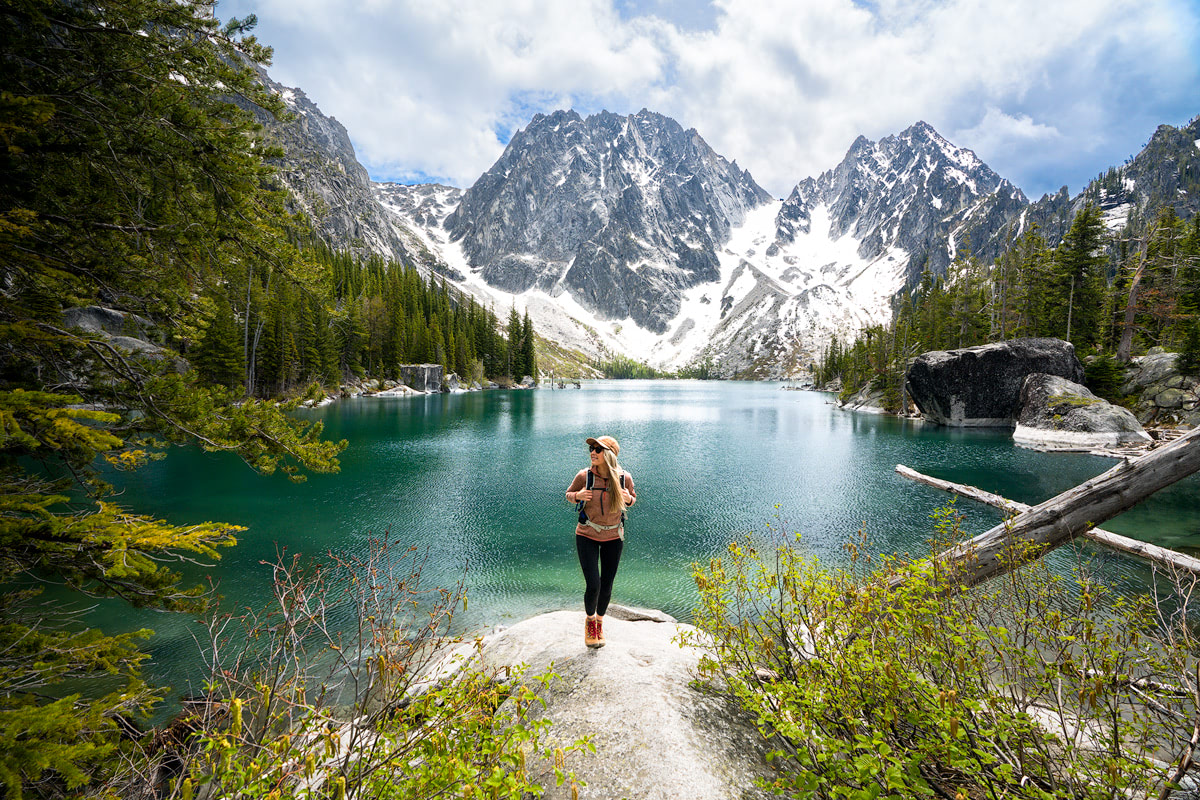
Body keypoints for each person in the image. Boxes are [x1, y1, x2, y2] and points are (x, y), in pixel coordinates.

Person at [565, 435, 636, 648]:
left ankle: (600, 623)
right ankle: (589, 622)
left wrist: (628, 499)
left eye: (598, 449)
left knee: (606, 585)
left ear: (610, 454)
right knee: (593, 584)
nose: (592, 452)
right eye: (591, 449)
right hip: (586, 534)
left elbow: (633, 498)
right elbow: (568, 494)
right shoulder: (584, 476)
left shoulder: (624, 478)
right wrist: (578, 495)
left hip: (613, 537)